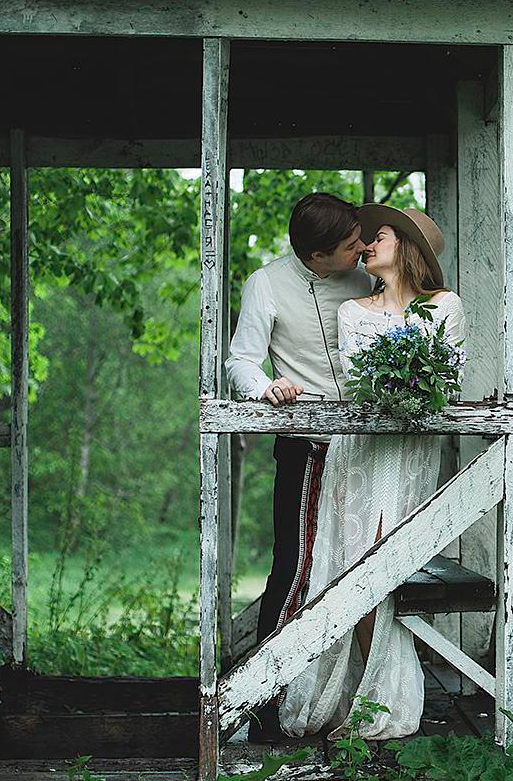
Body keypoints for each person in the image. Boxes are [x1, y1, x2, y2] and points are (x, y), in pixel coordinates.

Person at [279, 204, 465, 740]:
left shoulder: (446, 305)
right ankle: (369, 698)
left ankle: (389, 699)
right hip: (358, 453)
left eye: (378, 236)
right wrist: (395, 380)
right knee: (352, 566)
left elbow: (448, 382)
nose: (366, 245)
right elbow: (361, 382)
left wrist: (413, 383)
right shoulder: (352, 312)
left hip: (408, 455)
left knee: (387, 568)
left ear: (406, 247)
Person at [225, 192, 373, 742]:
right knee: (293, 567)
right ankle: (263, 702)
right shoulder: (266, 283)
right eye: (350, 244)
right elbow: (241, 360)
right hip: (304, 445)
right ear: (316, 255)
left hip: (369, 448)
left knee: (364, 567)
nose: (361, 247)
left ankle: (351, 699)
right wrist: (266, 387)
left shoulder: (366, 279)